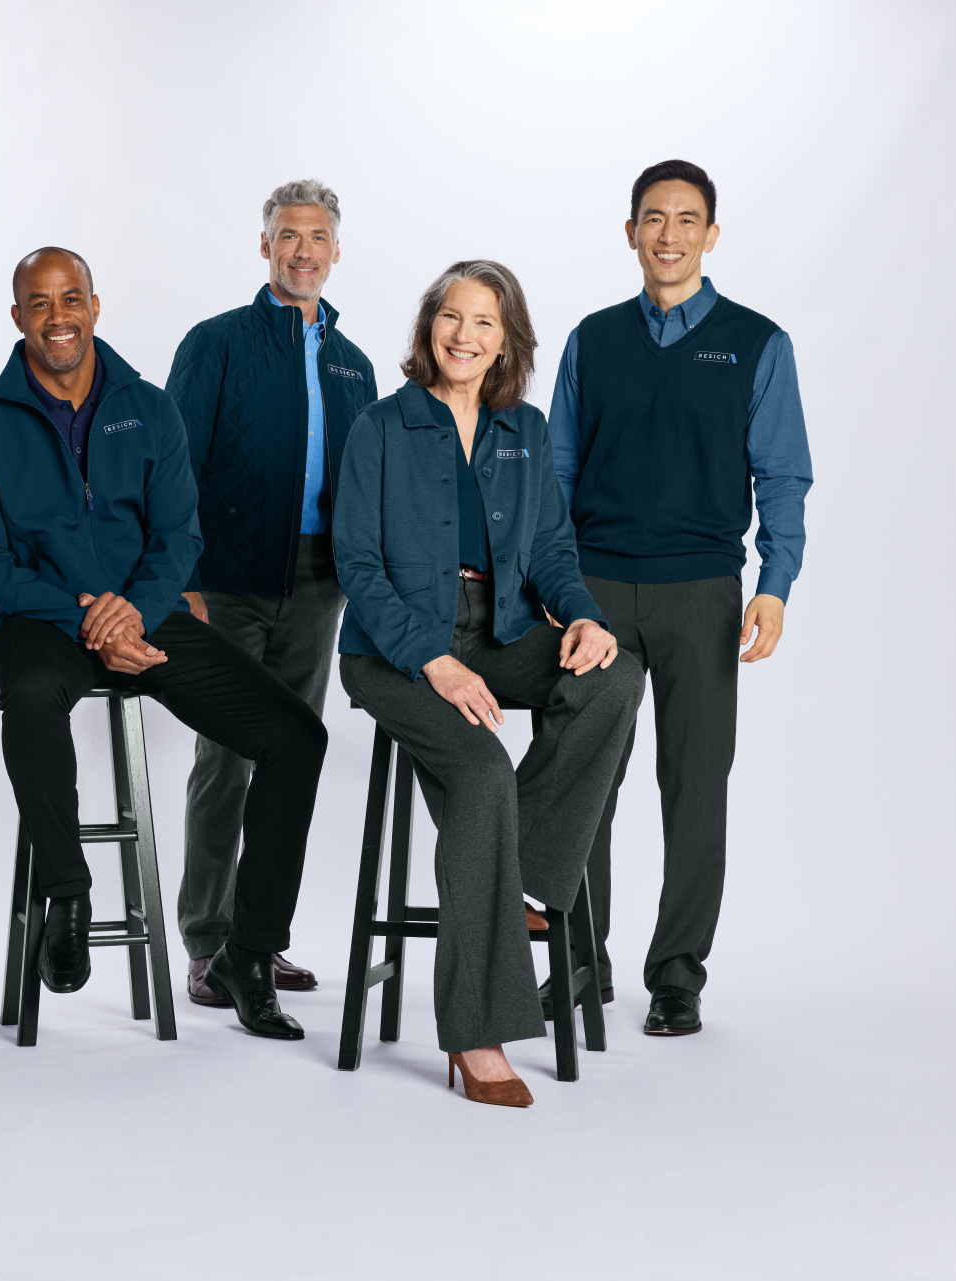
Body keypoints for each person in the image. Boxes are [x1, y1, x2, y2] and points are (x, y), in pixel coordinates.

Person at [0, 248, 329, 1041]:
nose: (59, 316)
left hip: (148, 618)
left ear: (94, 304)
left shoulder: (148, 408)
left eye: (72, 298)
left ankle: (248, 953)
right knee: (29, 695)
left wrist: (133, 615)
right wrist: (90, 616)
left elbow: (178, 537)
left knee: (297, 736)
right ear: (16, 316)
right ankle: (70, 893)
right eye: (39, 302)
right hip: (43, 623)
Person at [336, 260, 644, 1106]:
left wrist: (581, 614)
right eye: (451, 316)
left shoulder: (526, 429)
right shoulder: (382, 427)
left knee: (614, 676)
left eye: (484, 322)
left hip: (500, 626)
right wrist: (430, 657)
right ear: (428, 324)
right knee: (478, 773)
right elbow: (356, 564)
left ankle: (516, 878)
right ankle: (476, 1032)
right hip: (394, 645)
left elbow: (551, 551)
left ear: (507, 340)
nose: (463, 335)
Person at [545, 159, 813, 1037]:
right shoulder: (591, 340)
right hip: (596, 591)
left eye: (686, 220)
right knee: (588, 780)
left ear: (711, 234)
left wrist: (774, 584)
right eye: (652, 219)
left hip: (702, 587)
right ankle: (584, 960)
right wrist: (551, 584)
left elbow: (781, 475)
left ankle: (678, 974)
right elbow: (557, 472)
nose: (668, 235)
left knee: (695, 783)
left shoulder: (758, 342)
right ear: (629, 232)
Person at [166, 179, 378, 1008]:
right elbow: (171, 466)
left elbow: (365, 482)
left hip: (318, 584)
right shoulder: (216, 343)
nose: (303, 251)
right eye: (288, 236)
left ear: (335, 251)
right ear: (265, 247)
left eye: (317, 237)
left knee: (293, 758)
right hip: (227, 581)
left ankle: (260, 940)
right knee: (226, 757)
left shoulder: (352, 362)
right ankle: (207, 941)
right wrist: (180, 579)